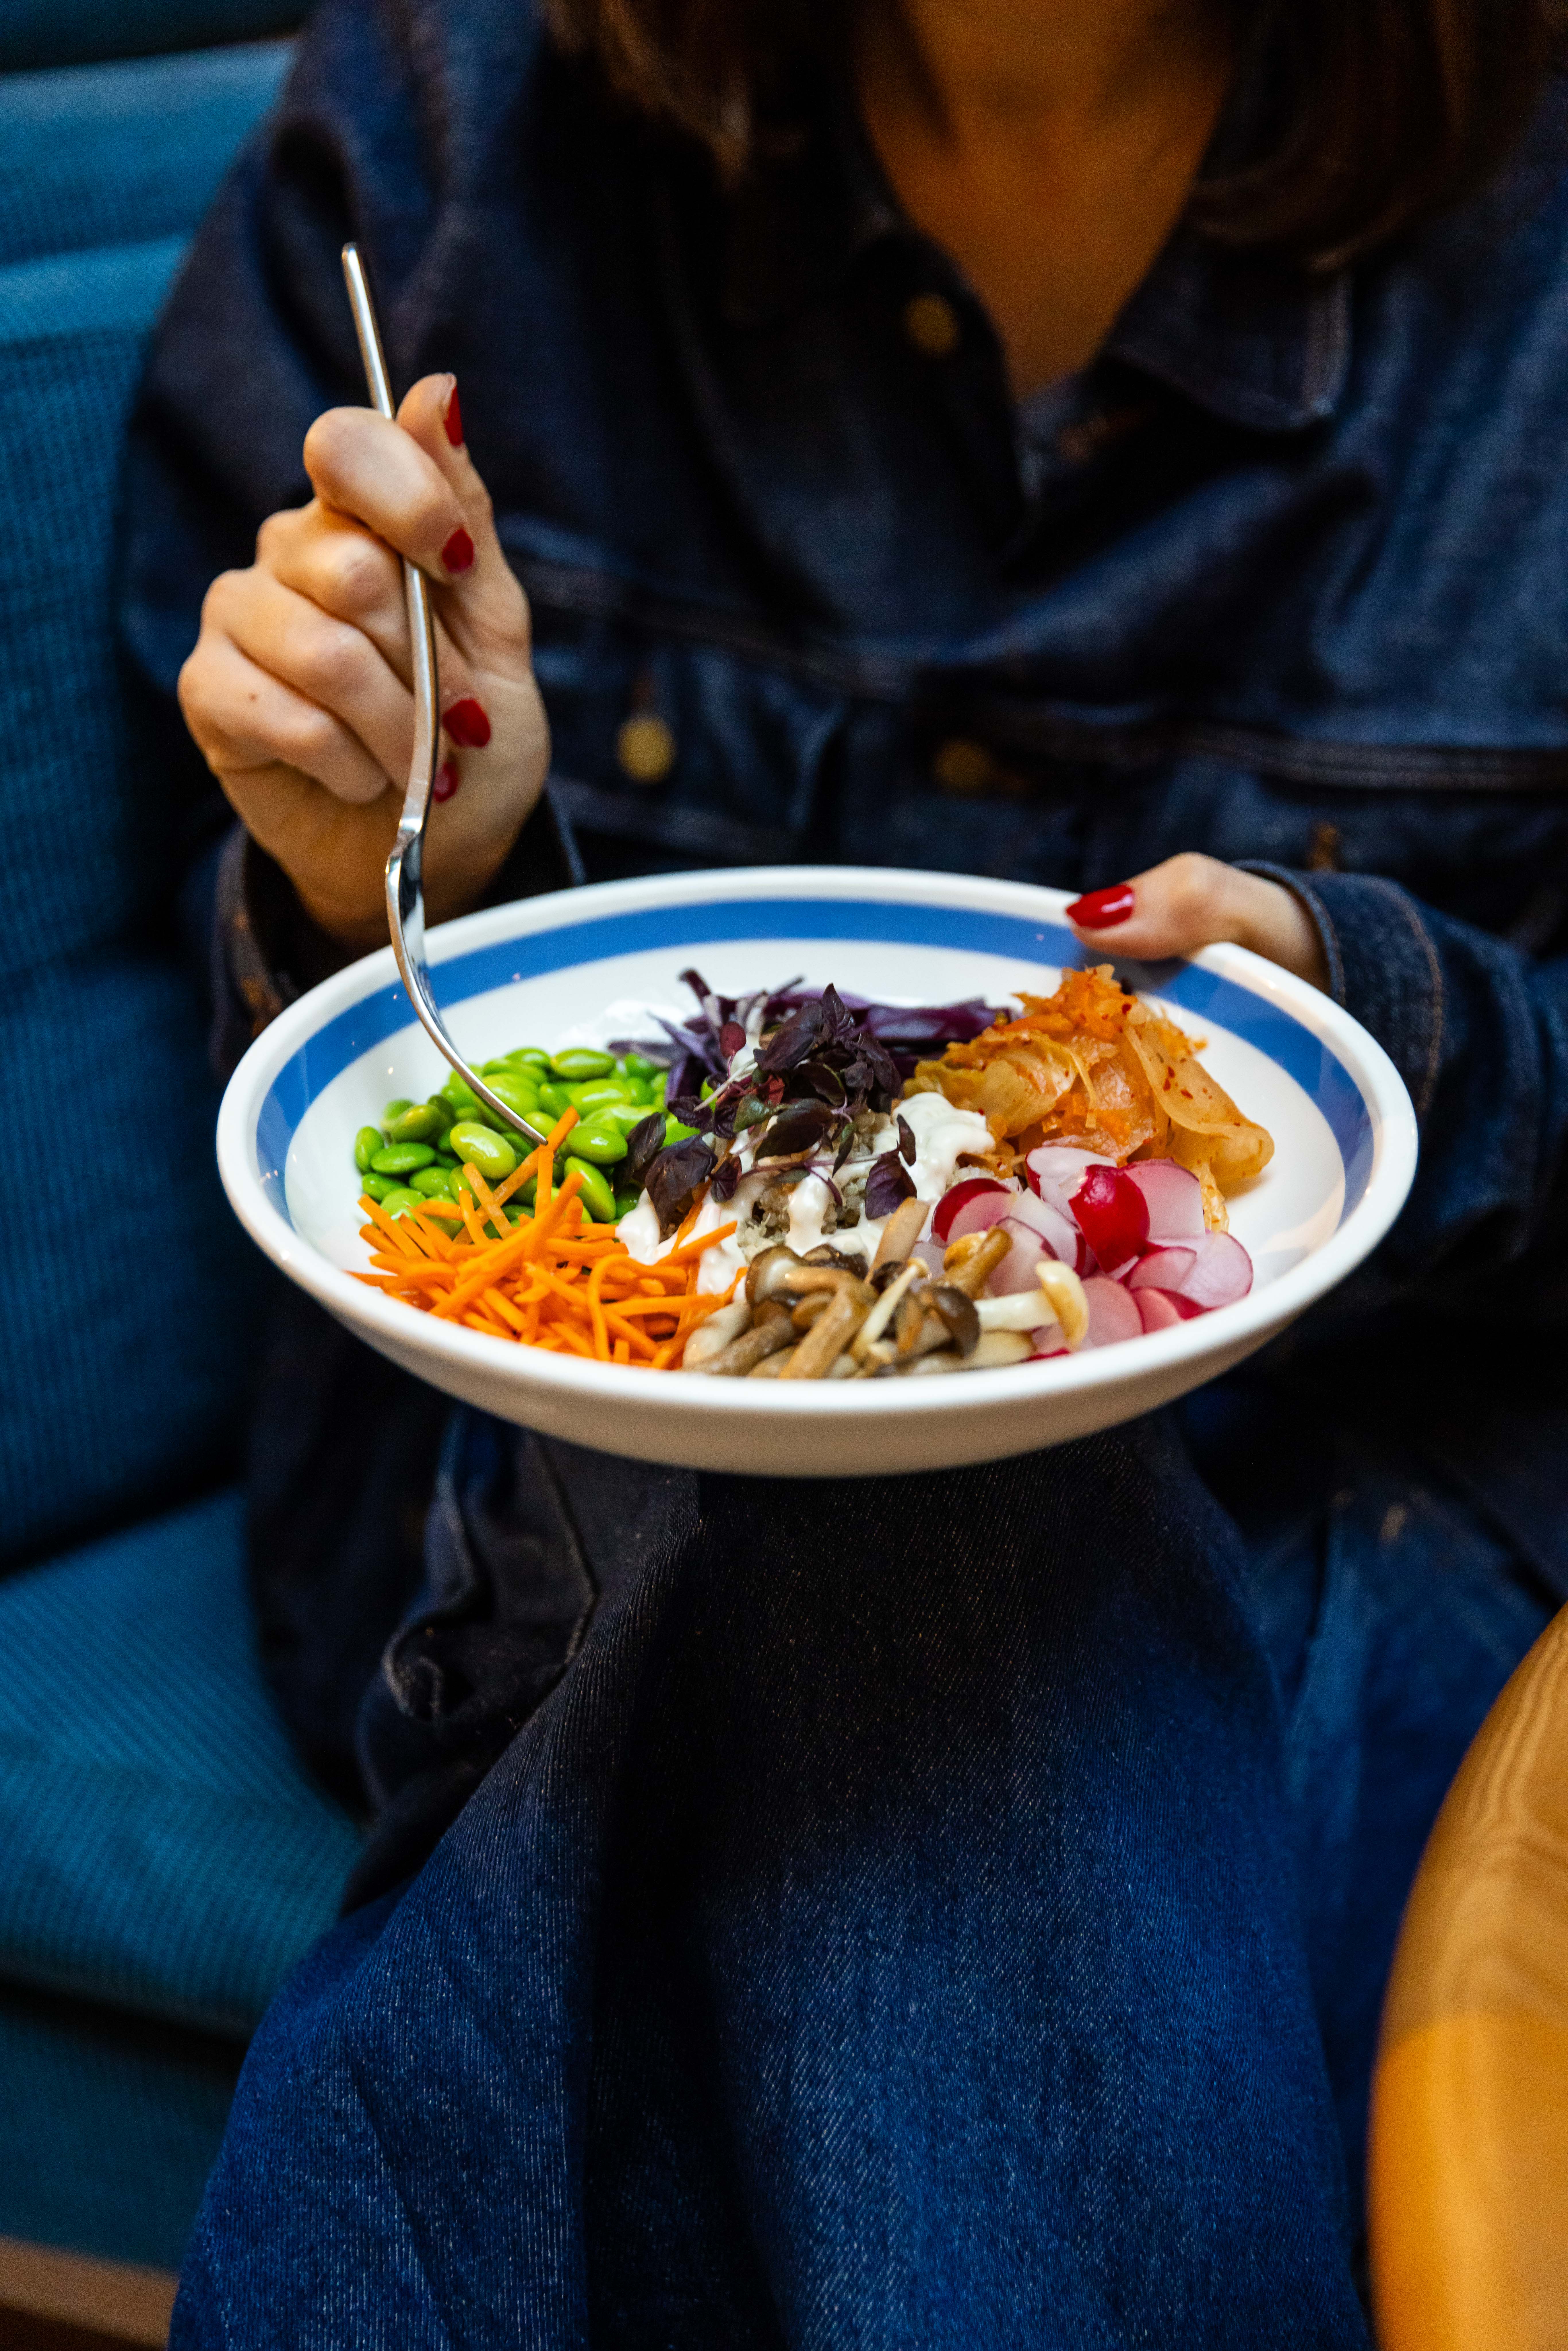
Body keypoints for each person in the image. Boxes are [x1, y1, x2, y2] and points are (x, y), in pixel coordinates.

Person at [124, 0, 1568, 2338]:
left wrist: (1377, 1005)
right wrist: (399, 844)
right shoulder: (449, 134)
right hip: (531, 1516)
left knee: (927, 1586)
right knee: (913, 1560)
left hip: (1355, 1505)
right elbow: (346, 1078)